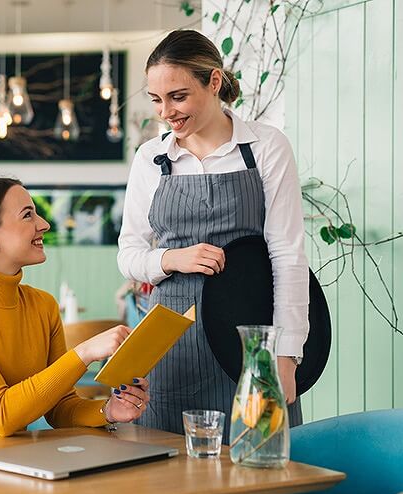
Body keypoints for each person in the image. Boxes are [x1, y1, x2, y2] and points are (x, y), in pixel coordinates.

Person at [117, 30, 308, 438]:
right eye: (156, 99)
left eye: (178, 96)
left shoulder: (265, 147)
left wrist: (287, 355)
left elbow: (287, 256)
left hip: (251, 345)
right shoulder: (151, 158)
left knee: (259, 471)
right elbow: (129, 253)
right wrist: (170, 259)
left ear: (214, 82)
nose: (165, 111)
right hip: (171, 347)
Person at [0, 177, 149, 438]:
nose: (44, 224)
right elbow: (1, 416)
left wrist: (109, 410)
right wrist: (85, 352)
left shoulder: (42, 305)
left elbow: (60, 407)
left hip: (9, 460)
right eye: (28, 215)